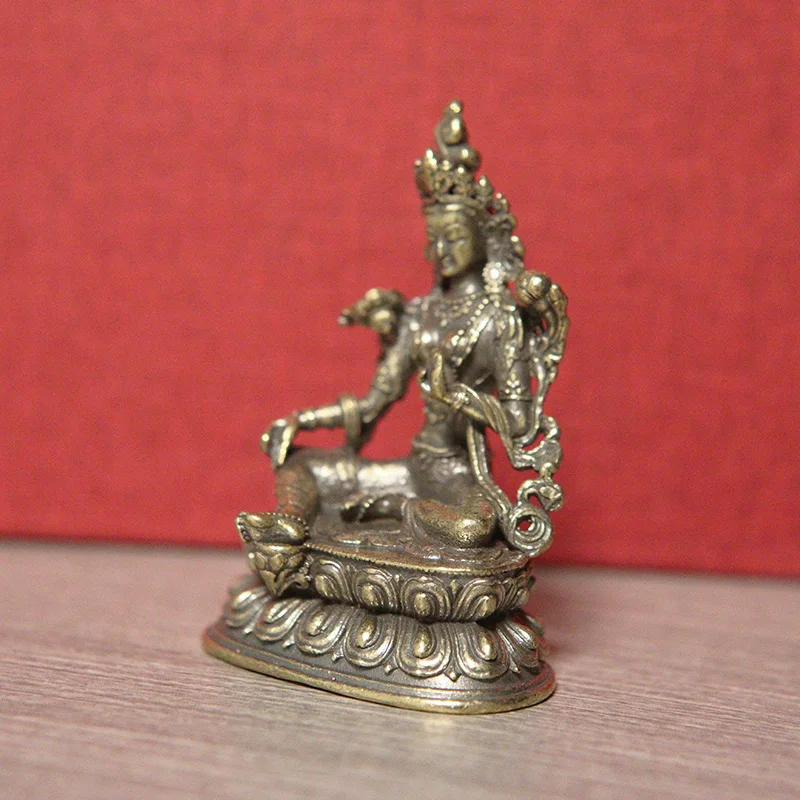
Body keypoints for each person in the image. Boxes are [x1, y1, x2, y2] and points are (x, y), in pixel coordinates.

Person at [258, 100, 568, 555]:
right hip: (410, 465)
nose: (443, 250)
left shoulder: (500, 321)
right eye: (434, 239)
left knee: (472, 530)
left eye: (455, 237)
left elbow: (521, 424)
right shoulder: (420, 314)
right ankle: (287, 529)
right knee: (301, 468)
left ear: (483, 240)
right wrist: (300, 420)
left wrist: (457, 396)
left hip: (456, 475)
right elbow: (373, 403)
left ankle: (394, 509)